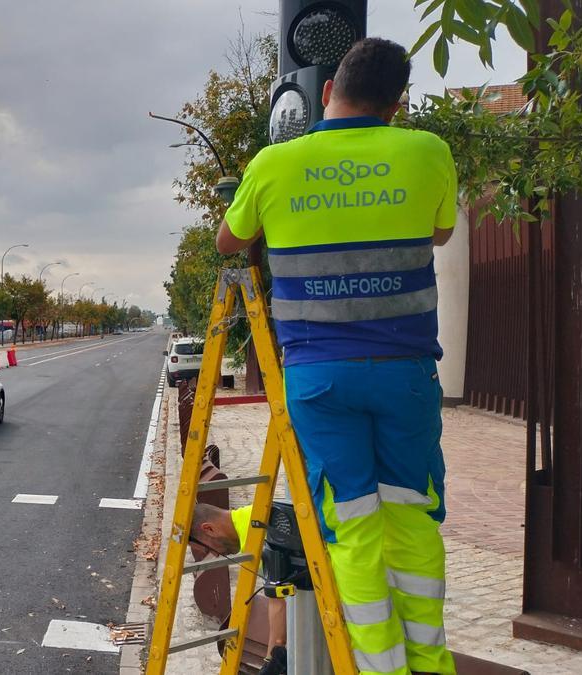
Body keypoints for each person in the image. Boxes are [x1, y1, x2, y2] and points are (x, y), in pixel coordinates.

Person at [216, 38, 457, 675]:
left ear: (327, 92)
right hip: (405, 373)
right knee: (412, 514)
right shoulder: (427, 152)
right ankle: (429, 664)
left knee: (350, 523)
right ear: (397, 105)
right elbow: (439, 229)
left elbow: (228, 241)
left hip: (317, 377)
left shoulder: (275, 163)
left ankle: (381, 668)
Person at [190, 502, 287, 675]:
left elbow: (280, 600)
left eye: (208, 548)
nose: (218, 554)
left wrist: (270, 662)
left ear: (209, 529)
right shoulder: (255, 513)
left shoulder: (260, 538)